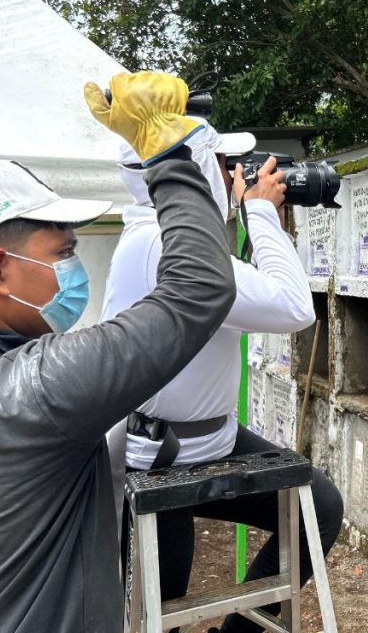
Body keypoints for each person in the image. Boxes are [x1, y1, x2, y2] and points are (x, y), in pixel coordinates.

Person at [0, 71, 288, 632]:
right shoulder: (37, 387)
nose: (72, 272)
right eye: (62, 253)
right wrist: (168, 153)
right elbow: (199, 290)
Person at [103, 118, 344, 633]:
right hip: (161, 458)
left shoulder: (176, 240)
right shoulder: (166, 247)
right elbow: (294, 307)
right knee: (158, 608)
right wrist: (259, 210)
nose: (235, 175)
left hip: (214, 440)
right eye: (222, 165)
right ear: (185, 176)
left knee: (318, 508)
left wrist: (248, 215)